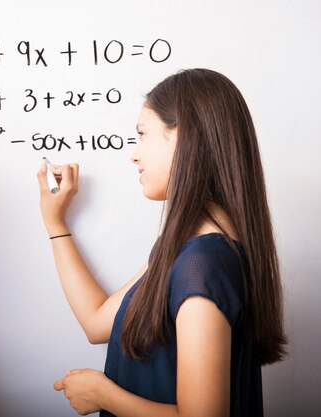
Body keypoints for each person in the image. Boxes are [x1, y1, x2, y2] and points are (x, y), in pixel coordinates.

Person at [37, 68, 286, 417]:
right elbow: (96, 324)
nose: (133, 155)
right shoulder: (184, 249)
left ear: (184, 137)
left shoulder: (203, 265)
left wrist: (103, 395)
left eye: (141, 135)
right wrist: (55, 222)